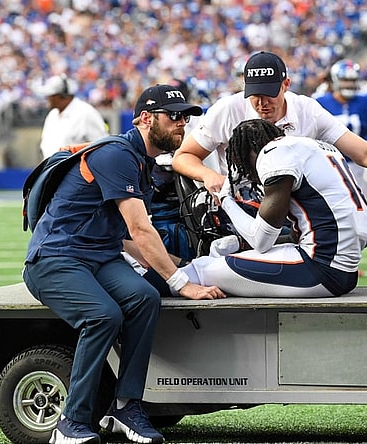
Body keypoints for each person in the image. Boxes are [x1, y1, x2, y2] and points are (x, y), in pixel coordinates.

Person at [23, 84, 225, 444]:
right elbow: (139, 228)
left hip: (99, 256)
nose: (182, 125)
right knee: (103, 315)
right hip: (55, 258)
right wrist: (182, 282)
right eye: (174, 117)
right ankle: (70, 423)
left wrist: (191, 264)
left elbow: (129, 238)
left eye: (186, 118)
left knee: (144, 298)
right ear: (146, 119)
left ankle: (125, 406)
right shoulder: (118, 154)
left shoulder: (140, 160)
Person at [172, 51, 367, 287]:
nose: (261, 103)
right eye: (254, 94)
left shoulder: (306, 110)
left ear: (286, 84)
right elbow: (183, 156)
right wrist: (210, 176)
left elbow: (362, 152)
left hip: (299, 212)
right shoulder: (228, 110)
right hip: (251, 211)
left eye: (269, 93)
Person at [180, 119, 367, 297]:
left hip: (319, 270)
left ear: (249, 152)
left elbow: (261, 241)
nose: (246, 173)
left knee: (199, 270)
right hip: (344, 271)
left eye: (241, 161)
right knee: (225, 258)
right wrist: (240, 245)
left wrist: (225, 199)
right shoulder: (312, 147)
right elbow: (299, 234)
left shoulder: (273, 154)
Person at [315, 59, 367, 194]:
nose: (349, 84)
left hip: (358, 162)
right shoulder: (320, 101)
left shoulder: (365, 101)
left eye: (352, 80)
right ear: (335, 80)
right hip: (329, 163)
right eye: (345, 80)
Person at [38, 74, 109, 159]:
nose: (47, 98)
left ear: (60, 96)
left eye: (50, 95)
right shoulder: (52, 115)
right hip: (52, 170)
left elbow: (103, 147)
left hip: (77, 171)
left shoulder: (86, 113)